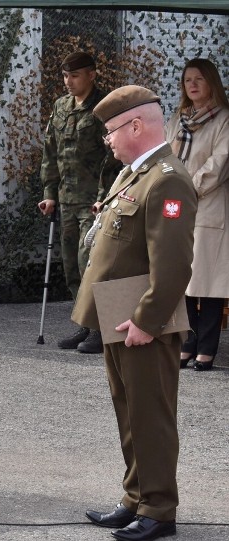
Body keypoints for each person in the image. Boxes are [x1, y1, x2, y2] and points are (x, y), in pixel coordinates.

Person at [72, 86, 196, 541]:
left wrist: (148, 320)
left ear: (136, 126)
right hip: (116, 308)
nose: (107, 139)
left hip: (140, 315)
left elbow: (174, 264)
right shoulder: (133, 174)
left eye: (110, 131)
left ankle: (160, 510)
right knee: (129, 413)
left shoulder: (167, 180)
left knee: (151, 415)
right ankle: (136, 497)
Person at [38, 51, 122, 354]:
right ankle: (85, 324)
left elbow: (112, 158)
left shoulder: (104, 108)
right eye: (64, 76)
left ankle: (102, 328)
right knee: (72, 264)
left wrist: (104, 197)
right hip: (66, 200)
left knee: (93, 262)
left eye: (74, 76)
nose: (68, 82)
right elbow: (50, 153)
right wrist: (49, 193)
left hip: (94, 202)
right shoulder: (60, 107)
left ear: (91, 75)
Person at [164, 58, 229, 372]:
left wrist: (186, 185)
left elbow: (219, 163)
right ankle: (186, 342)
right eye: (187, 79)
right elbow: (165, 155)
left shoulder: (224, 119)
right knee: (181, 277)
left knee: (209, 282)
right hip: (177, 206)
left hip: (208, 205)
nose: (192, 85)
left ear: (211, 83)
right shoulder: (179, 118)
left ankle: (206, 348)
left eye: (199, 79)